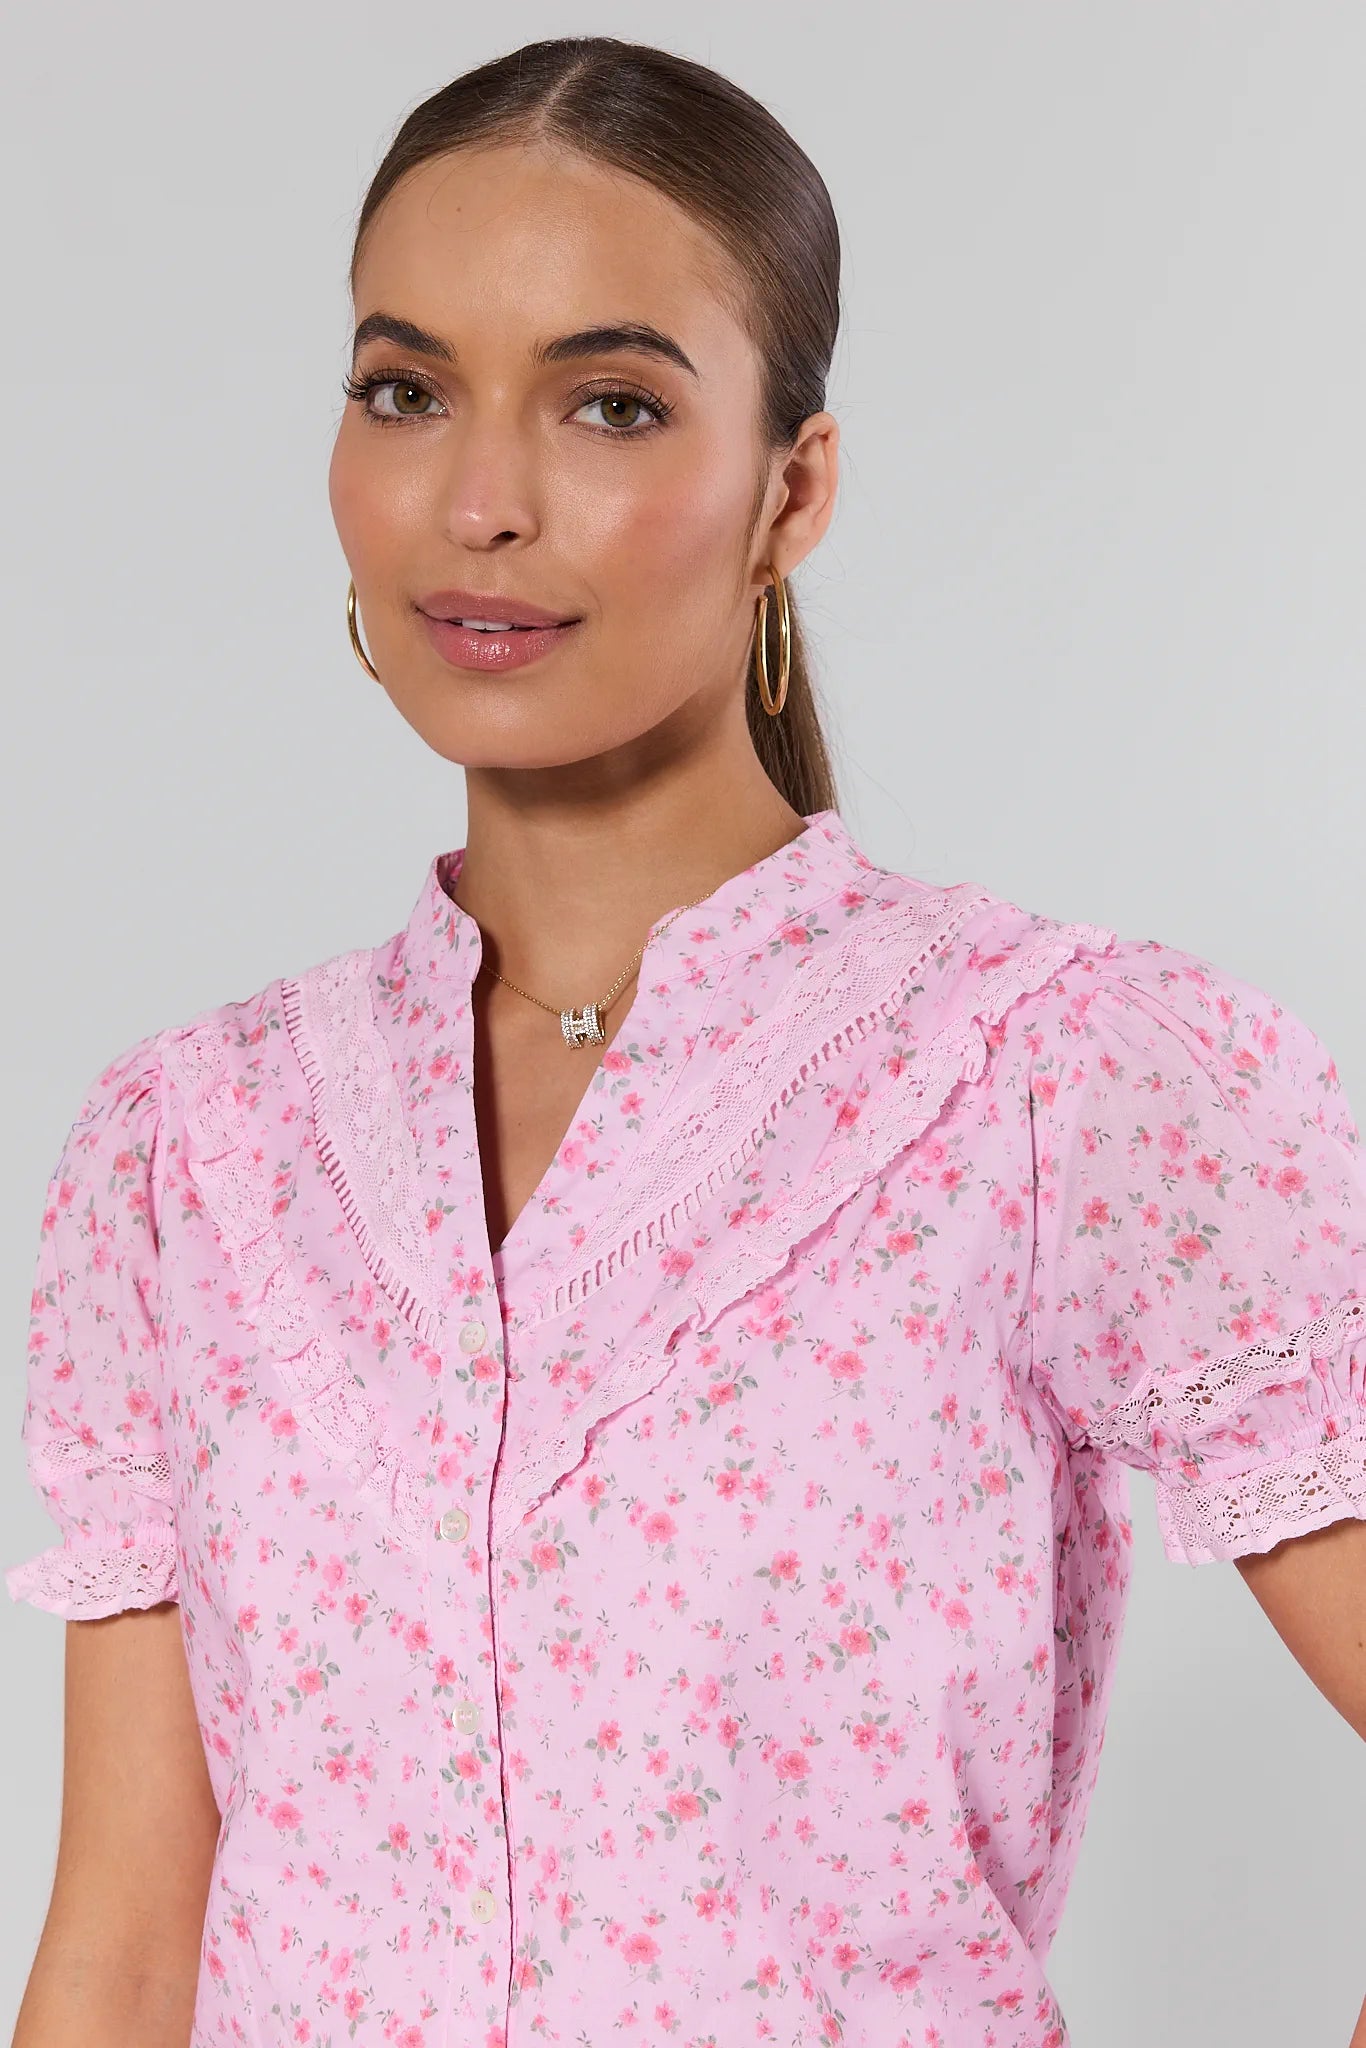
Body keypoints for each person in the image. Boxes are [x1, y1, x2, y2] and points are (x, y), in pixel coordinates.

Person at [7, 34, 1366, 2048]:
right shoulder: (184, 1150)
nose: (478, 499)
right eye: (404, 390)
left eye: (610, 402)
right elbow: (120, 1952)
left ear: (786, 489)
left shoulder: (1064, 1079)